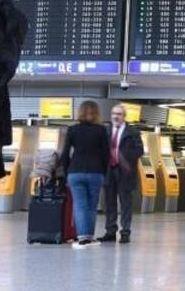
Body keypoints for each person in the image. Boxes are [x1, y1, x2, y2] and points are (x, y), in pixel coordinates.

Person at [61, 101, 109, 249]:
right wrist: (104, 172)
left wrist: (67, 172)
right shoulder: (101, 130)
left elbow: (65, 154)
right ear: (97, 113)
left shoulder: (73, 130)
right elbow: (106, 155)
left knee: (80, 205)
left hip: (75, 172)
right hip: (95, 172)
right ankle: (89, 237)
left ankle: (82, 238)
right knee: (92, 206)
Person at [98, 104, 144, 244]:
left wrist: (124, 156)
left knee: (125, 203)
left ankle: (125, 232)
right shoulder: (105, 131)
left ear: (124, 116)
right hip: (109, 170)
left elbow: (140, 151)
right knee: (110, 203)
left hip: (125, 171)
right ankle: (110, 231)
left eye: (119, 114)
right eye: (113, 114)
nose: (116, 116)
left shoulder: (133, 132)